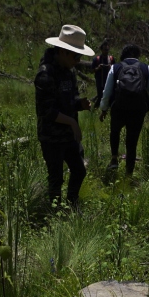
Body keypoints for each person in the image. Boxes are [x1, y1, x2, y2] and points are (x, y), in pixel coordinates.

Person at [35, 24, 94, 208]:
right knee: (56, 178)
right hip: (52, 137)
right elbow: (47, 111)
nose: (78, 60)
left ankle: (72, 204)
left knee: (79, 170)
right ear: (62, 51)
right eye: (76, 56)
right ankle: (54, 215)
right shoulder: (45, 74)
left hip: (68, 136)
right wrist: (72, 123)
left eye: (80, 56)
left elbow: (70, 100)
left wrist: (80, 104)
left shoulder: (69, 72)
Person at [99, 44, 149, 177]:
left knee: (115, 131)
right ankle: (128, 173)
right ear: (137, 55)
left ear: (123, 55)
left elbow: (107, 91)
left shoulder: (116, 67)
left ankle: (114, 159)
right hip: (137, 110)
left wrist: (103, 109)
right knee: (132, 141)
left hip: (119, 108)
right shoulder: (145, 67)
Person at [91, 41, 115, 108]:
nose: (106, 51)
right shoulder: (97, 59)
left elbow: (115, 69)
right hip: (99, 81)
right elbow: (92, 70)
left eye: (107, 50)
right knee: (100, 96)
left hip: (109, 80)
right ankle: (95, 109)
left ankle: (107, 109)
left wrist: (111, 67)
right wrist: (98, 68)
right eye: (105, 50)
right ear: (101, 50)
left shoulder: (111, 59)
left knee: (109, 96)